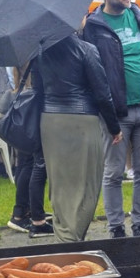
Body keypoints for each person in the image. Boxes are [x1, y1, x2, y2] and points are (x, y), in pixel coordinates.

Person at [82, 0, 140, 238]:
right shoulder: (94, 26)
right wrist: (108, 115)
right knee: (113, 173)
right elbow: (93, 73)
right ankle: (116, 227)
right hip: (116, 112)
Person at [33, 30, 122, 242]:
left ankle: (64, 234)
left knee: (60, 185)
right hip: (81, 121)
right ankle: (70, 241)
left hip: (50, 120)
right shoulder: (86, 49)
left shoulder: (39, 52)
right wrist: (114, 126)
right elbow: (102, 92)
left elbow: (38, 91)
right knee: (86, 185)